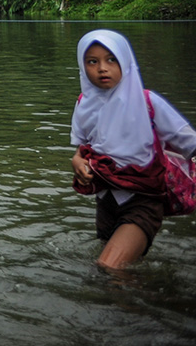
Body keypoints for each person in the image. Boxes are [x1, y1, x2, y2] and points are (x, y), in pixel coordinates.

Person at [70, 29, 196, 270]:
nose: (102, 68)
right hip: (106, 201)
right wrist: (77, 164)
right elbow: (82, 150)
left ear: (125, 61)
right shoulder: (84, 104)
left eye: (111, 59)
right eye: (92, 61)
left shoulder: (147, 102)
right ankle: (146, 302)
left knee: (108, 267)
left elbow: (190, 143)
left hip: (143, 200)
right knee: (123, 272)